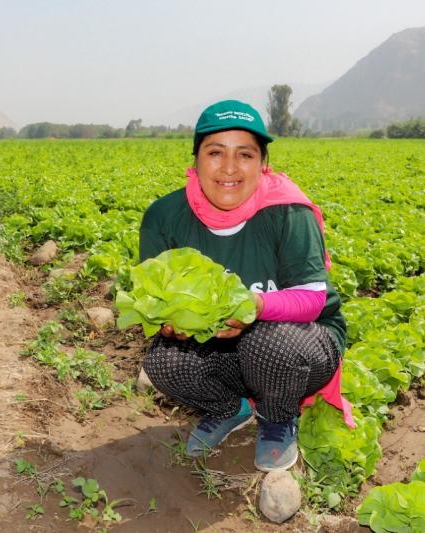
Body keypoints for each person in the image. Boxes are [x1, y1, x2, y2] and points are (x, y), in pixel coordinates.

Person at [139, 100, 349, 471]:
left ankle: (278, 416)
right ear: (196, 159)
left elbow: (313, 298)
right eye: (215, 153)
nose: (230, 168)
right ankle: (228, 409)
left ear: (263, 163)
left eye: (246, 155)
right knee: (163, 360)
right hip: (220, 349)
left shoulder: (288, 211)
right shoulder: (164, 216)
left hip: (302, 342)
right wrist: (170, 322)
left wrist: (255, 306)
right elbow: (151, 295)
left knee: (269, 341)